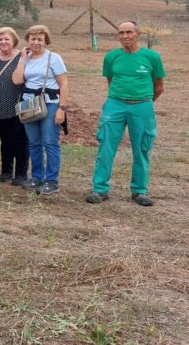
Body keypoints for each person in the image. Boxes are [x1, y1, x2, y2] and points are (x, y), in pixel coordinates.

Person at [87, 21, 166, 207]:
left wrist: (142, 102)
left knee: (142, 148)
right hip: (115, 105)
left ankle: (139, 191)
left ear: (138, 34)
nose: (125, 36)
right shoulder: (112, 57)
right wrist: (121, 100)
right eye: (121, 32)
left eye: (129, 32)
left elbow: (159, 87)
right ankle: (100, 189)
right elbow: (110, 80)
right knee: (106, 146)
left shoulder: (152, 57)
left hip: (142, 106)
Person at [11, 24, 69, 196]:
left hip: (49, 104)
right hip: (29, 105)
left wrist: (62, 109)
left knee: (50, 142)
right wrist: (22, 58)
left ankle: (51, 181)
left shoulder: (54, 58)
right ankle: (37, 177)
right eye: (32, 39)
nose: (36, 42)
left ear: (46, 41)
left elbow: (63, 84)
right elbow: (17, 80)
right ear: (27, 41)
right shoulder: (26, 58)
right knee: (34, 143)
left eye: (39, 39)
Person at [0, 27, 30, 186]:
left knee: (21, 140)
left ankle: (21, 174)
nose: (3, 42)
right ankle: (6, 171)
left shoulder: (23, 56)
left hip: (18, 104)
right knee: (5, 139)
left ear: (14, 41)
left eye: (7, 39)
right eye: (0, 39)